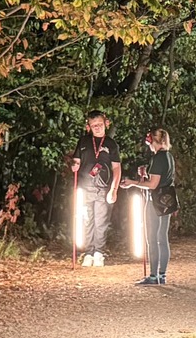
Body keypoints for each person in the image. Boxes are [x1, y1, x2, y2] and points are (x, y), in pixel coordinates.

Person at [66, 110, 121, 266]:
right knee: (86, 219)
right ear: (88, 126)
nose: (97, 128)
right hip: (84, 187)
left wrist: (114, 189)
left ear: (106, 124)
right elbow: (76, 161)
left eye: (99, 124)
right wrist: (73, 165)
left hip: (103, 188)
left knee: (101, 220)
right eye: (93, 125)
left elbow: (116, 167)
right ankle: (88, 252)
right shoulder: (83, 141)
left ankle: (99, 252)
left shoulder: (111, 144)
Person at [129, 127, 175, 287]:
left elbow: (153, 184)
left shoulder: (158, 158)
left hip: (155, 200)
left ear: (154, 141)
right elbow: (160, 179)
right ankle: (162, 274)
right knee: (162, 238)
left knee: (152, 238)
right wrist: (146, 175)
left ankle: (153, 275)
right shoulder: (168, 157)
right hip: (168, 198)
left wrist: (133, 183)